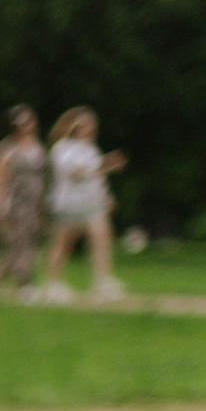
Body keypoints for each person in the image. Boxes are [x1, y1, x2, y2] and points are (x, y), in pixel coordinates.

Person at [40, 107, 127, 303]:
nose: (88, 128)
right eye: (83, 124)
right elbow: (74, 173)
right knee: (63, 243)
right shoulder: (62, 147)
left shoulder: (90, 149)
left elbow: (96, 178)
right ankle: (53, 284)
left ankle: (102, 281)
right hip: (68, 204)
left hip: (91, 203)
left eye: (90, 124)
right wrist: (105, 164)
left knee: (102, 238)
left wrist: (105, 195)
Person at [0, 104, 48, 297]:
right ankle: (24, 284)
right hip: (13, 204)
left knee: (29, 242)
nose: (27, 126)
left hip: (33, 204)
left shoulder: (37, 148)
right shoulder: (6, 149)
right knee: (20, 244)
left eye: (29, 121)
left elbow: (42, 178)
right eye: (21, 123)